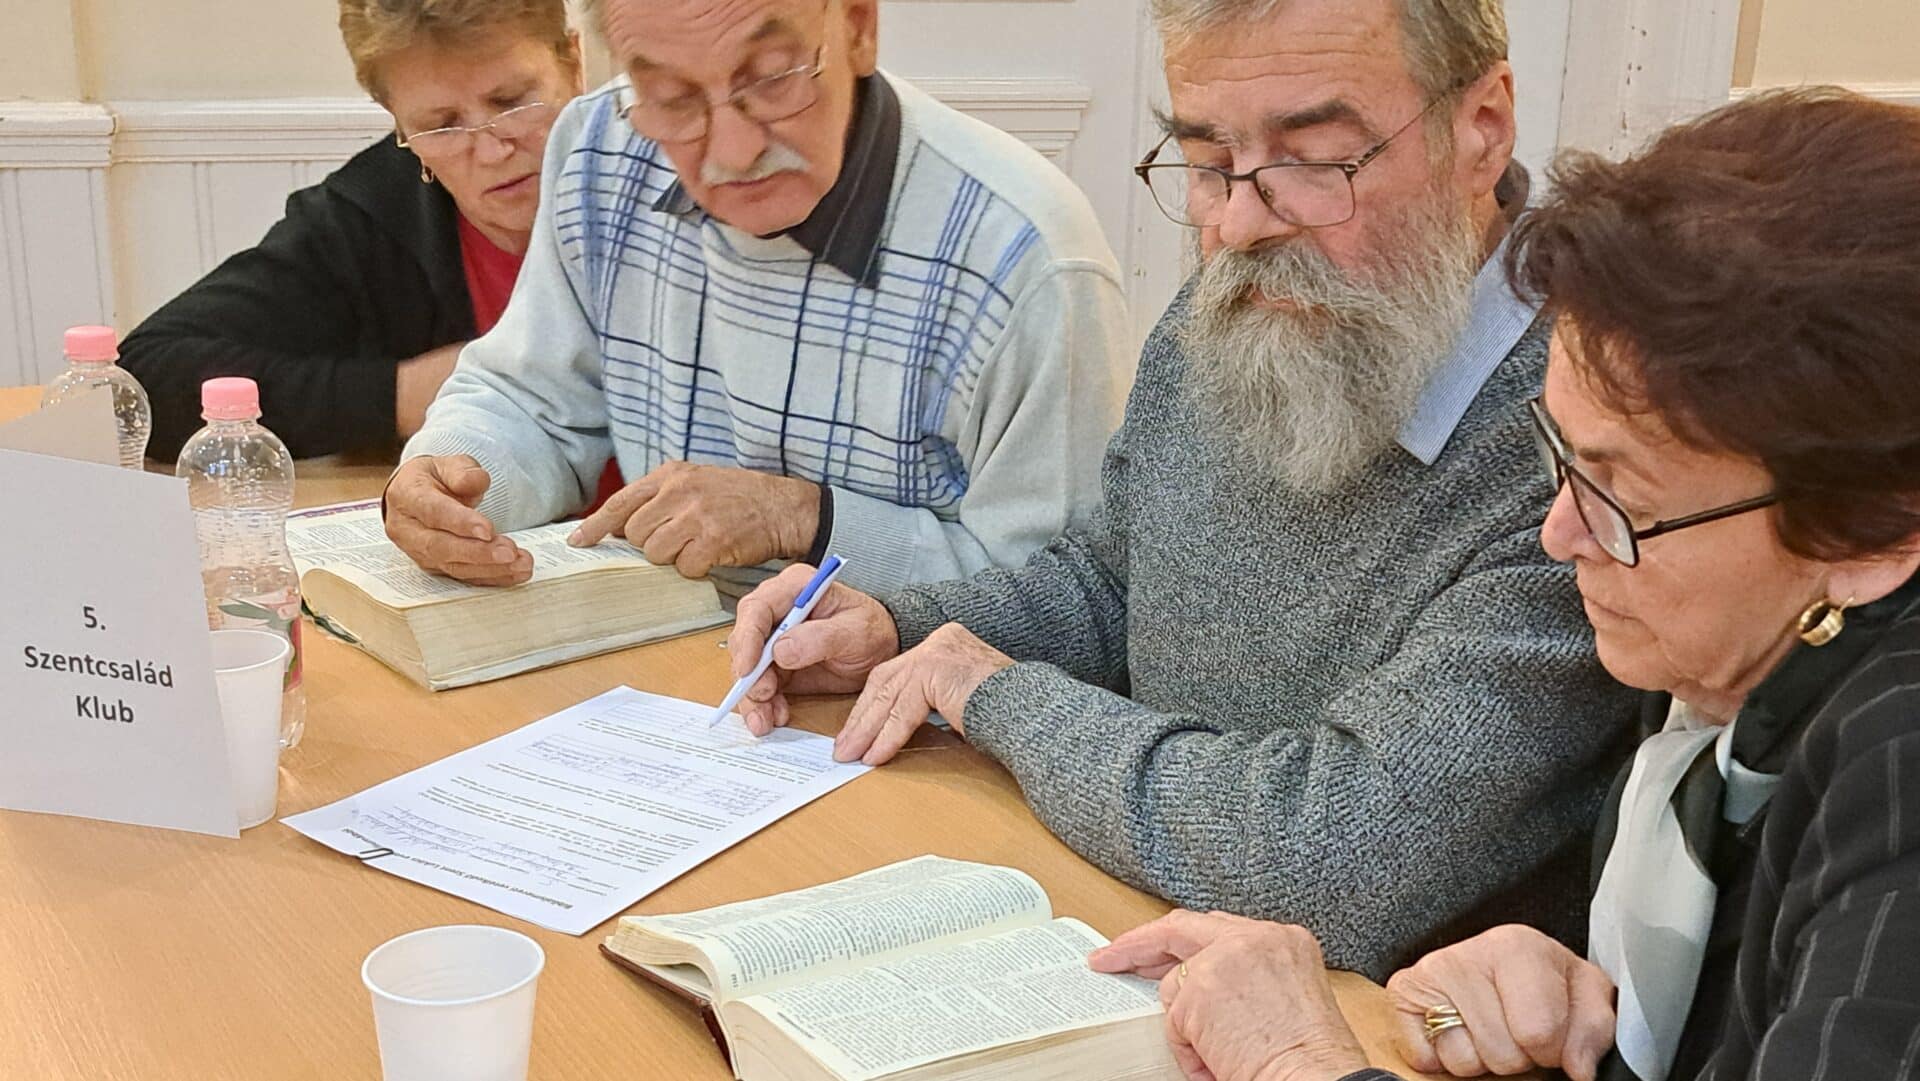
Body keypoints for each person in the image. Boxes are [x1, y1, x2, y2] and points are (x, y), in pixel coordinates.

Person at [726, 0, 1637, 979]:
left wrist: (996, 695)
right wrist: (900, 631)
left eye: (1313, 160)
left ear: (1482, 127)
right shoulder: (1257, 289)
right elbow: (1119, 580)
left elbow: (1331, 859)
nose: (1238, 225)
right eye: (1207, 163)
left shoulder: (1593, 442)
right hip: (1122, 935)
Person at [1091, 88, 1920, 1081]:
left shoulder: (1899, 761)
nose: (1561, 531)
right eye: (1561, 458)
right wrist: (1583, 992)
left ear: (1876, 534)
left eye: (1621, 493)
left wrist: (1299, 1061)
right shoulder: (1736, 637)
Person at [383, 0, 1133, 595]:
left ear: (859, 28)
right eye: (673, 99)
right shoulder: (603, 145)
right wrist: (455, 476)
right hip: (667, 689)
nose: (732, 151)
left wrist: (804, 518)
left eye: (771, 77)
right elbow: (531, 398)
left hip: (914, 725)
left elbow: (1064, 598)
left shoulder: (1024, 254)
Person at [120, 0, 586, 461]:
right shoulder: (370, 217)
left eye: (511, 101)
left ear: (574, 64)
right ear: (398, 122)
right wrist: (402, 395)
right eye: (440, 126)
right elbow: (142, 379)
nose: (489, 150)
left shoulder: (655, 161)